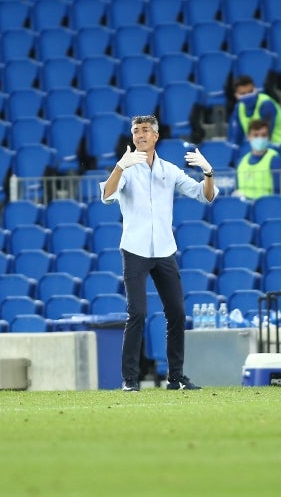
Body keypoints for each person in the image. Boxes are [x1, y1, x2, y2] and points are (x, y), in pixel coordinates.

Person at [99, 115, 219, 392]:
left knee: (177, 313)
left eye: (145, 130)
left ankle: (175, 378)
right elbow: (107, 196)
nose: (140, 135)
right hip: (135, 249)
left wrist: (208, 173)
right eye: (136, 131)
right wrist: (119, 167)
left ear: (155, 136)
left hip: (164, 249)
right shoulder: (127, 169)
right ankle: (130, 380)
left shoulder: (169, 170)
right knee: (137, 313)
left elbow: (205, 196)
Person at [226, 75, 281, 148]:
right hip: (259, 147)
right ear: (236, 96)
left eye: (250, 92)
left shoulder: (266, 104)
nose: (248, 96)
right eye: (243, 94)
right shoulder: (239, 108)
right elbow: (236, 138)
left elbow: (265, 135)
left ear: (256, 90)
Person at [233, 119, 281, 200]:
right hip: (244, 206)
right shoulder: (240, 162)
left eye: (263, 135)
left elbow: (278, 193)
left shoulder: (275, 160)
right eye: (256, 135)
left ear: (268, 138)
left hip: (266, 205)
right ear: (249, 137)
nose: (260, 138)